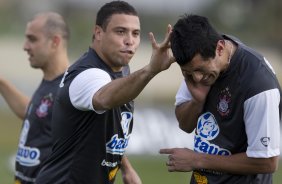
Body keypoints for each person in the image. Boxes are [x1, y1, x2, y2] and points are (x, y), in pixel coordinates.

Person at [35, 1, 173, 184]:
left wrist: (126, 168)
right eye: (120, 31)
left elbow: (108, 129)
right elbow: (104, 98)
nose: (129, 40)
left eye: (135, 33)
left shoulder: (122, 70)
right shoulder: (87, 74)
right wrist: (151, 70)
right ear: (98, 33)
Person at [159, 14, 281, 184]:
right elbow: (185, 124)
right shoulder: (197, 65)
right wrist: (197, 102)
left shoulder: (258, 85)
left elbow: (267, 162)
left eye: (201, 69)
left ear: (220, 49)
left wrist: (197, 160)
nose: (197, 78)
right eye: (188, 72)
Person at [0, 12, 70, 183]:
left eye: (32, 39)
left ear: (55, 42)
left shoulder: (71, 87)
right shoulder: (50, 82)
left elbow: (100, 131)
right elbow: (35, 112)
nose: (25, 46)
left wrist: (125, 167)